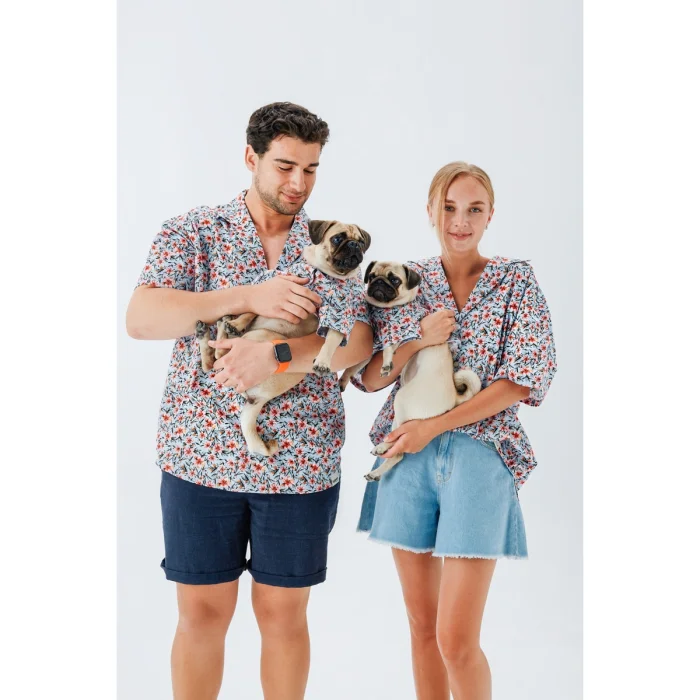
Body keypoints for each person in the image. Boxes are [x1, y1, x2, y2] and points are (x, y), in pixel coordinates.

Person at [126, 102, 372, 700]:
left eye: (311, 169)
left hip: (300, 461)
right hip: (199, 456)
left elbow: (360, 343)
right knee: (201, 615)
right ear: (250, 158)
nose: (298, 183)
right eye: (285, 166)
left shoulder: (333, 244)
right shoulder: (194, 231)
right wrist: (249, 295)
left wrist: (281, 355)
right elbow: (143, 317)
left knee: (283, 618)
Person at [352, 161, 557, 700]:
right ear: (429, 210)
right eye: (448, 208)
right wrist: (417, 339)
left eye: (473, 209)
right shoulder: (403, 280)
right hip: (404, 460)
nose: (459, 221)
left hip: (479, 458)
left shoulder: (515, 281)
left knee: (456, 641)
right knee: (423, 631)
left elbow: (522, 379)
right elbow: (370, 378)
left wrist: (435, 426)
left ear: (491, 215)